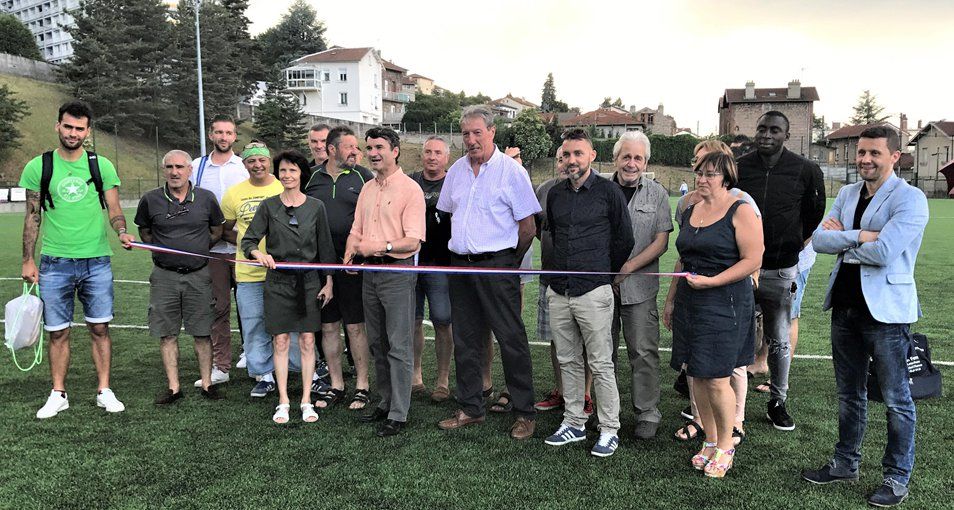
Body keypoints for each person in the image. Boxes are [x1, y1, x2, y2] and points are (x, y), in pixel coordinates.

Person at [804, 126, 928, 507]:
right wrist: (863, 236)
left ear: (894, 156)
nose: (865, 159)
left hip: (887, 315)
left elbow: (885, 252)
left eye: (874, 153)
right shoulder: (846, 192)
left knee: (896, 400)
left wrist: (848, 239)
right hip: (844, 308)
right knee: (848, 395)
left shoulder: (911, 199)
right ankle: (845, 463)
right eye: (861, 152)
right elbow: (819, 240)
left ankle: (895, 477)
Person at [20, 100, 134, 419]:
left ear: (88, 131)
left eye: (79, 128)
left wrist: (122, 231)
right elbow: (32, 217)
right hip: (54, 262)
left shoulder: (102, 166)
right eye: (67, 126)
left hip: (96, 261)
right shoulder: (38, 166)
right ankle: (58, 393)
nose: (73, 133)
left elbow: (114, 210)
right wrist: (28, 260)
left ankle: (104, 390)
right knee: (58, 332)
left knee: (99, 328)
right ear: (58, 126)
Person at [436, 105, 540, 440]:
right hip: (461, 267)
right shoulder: (456, 171)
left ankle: (524, 411)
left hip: (497, 265)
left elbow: (528, 227)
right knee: (466, 339)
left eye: (477, 132)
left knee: (510, 339)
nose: (470, 139)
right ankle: (470, 408)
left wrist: (509, 262)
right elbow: (448, 214)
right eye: (465, 133)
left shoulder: (511, 172)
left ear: (492, 132)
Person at [543, 128, 634, 457]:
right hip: (559, 291)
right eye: (566, 154)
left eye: (578, 154)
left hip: (594, 291)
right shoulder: (555, 194)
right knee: (567, 360)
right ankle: (574, 422)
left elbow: (625, 240)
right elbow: (551, 234)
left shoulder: (609, 193)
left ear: (592, 156)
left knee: (600, 363)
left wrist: (603, 273)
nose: (571, 160)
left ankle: (610, 428)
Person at [672, 151, 763, 478]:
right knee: (696, 374)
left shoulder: (741, 211)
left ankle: (726, 444)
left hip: (725, 302)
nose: (702, 178)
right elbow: (683, 258)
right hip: (690, 301)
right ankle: (710, 441)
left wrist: (713, 281)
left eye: (710, 173)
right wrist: (672, 299)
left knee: (717, 378)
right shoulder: (691, 209)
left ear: (726, 177)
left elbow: (753, 259)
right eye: (699, 172)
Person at [736, 111, 825, 431]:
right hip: (743, 269)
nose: (767, 135)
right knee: (739, 333)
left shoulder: (806, 169)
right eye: (762, 129)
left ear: (786, 135)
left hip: (781, 268)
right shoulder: (741, 167)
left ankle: (778, 399)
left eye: (775, 130)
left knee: (779, 338)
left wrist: (794, 243)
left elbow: (816, 212)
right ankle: (732, 401)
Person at [242, 150, 336, 424]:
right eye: (283, 171)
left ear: (301, 174)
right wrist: (258, 254)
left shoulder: (316, 206)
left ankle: (306, 400)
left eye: (293, 170)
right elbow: (248, 241)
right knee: (280, 340)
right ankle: (283, 400)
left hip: (308, 282)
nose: (287, 175)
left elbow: (325, 248)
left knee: (307, 340)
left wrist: (328, 282)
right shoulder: (268, 206)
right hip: (278, 282)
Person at [345, 127, 426, 437]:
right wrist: (350, 255)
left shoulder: (410, 190)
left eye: (379, 146)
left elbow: (413, 241)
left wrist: (378, 248)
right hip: (369, 274)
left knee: (399, 345)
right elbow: (356, 229)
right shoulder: (367, 188)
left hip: (397, 273)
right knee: (378, 342)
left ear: (395, 151)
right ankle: (385, 400)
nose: (373, 152)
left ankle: (399, 413)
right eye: (369, 147)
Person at [134, 150, 225, 403]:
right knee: (167, 332)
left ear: (189, 170)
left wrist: (195, 249)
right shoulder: (150, 199)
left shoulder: (206, 198)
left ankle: (207, 384)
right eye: (169, 167)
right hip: (165, 276)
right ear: (164, 169)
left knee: (202, 331)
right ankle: (174, 387)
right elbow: (145, 233)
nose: (175, 172)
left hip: (198, 275)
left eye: (180, 167)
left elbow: (216, 230)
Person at [221, 141, 302, 398]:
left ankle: (293, 370)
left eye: (262, 160)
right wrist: (251, 248)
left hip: (284, 271)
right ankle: (263, 374)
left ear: (270, 162)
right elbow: (226, 228)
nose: (257, 165)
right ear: (244, 164)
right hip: (249, 273)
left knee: (289, 324)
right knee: (254, 323)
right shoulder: (234, 194)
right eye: (251, 161)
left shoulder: (284, 185)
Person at [303, 126, 375, 410]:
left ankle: (362, 385)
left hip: (353, 267)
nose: (356, 152)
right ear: (332, 150)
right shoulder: (310, 178)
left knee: (355, 327)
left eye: (357, 147)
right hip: (320, 265)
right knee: (328, 326)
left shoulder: (363, 176)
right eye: (349, 147)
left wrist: (363, 254)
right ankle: (336, 384)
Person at [609, 131, 673, 439]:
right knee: (600, 352)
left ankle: (647, 412)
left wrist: (628, 268)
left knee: (644, 352)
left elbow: (661, 242)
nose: (631, 163)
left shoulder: (657, 194)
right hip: (602, 289)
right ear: (616, 159)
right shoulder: (599, 190)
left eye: (638, 158)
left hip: (640, 288)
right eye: (626, 157)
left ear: (645, 162)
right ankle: (605, 412)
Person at [190, 114, 250, 387]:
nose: (223, 137)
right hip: (214, 252)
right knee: (219, 310)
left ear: (235, 136)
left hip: (244, 250)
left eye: (228, 132)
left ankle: (254, 356)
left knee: (251, 307)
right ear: (211, 135)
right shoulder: (197, 166)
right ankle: (221, 365)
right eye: (218, 132)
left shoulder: (245, 166)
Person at [534, 144, 593, 415]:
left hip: (584, 279)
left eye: (571, 156)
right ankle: (561, 390)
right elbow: (537, 229)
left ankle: (585, 394)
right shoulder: (544, 190)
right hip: (551, 277)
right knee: (557, 339)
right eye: (560, 158)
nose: (565, 163)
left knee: (586, 339)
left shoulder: (595, 189)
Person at [409, 136, 454, 403]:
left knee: (442, 321)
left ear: (446, 157)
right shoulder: (411, 181)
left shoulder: (453, 182)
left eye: (438, 152)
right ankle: (415, 376)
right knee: (413, 322)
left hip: (441, 265)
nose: (432, 156)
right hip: (409, 264)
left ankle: (443, 379)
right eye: (428, 152)